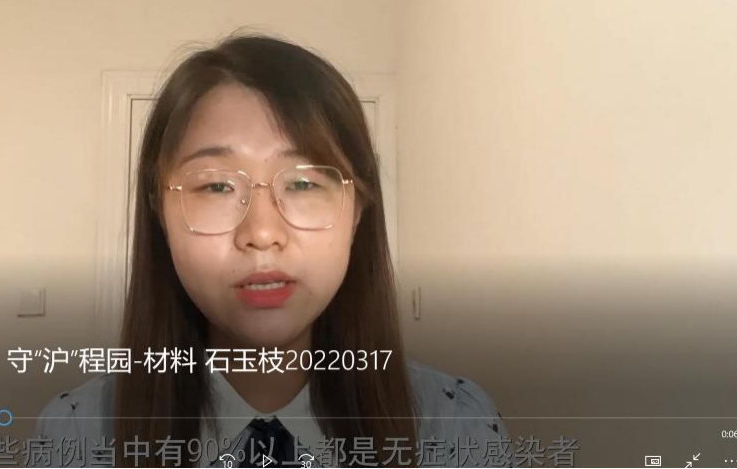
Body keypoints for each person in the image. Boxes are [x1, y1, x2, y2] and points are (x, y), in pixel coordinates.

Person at [33, 33, 509, 468]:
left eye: (303, 183)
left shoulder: (456, 427)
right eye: (216, 186)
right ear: (159, 210)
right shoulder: (76, 435)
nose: (262, 233)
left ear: (358, 209)